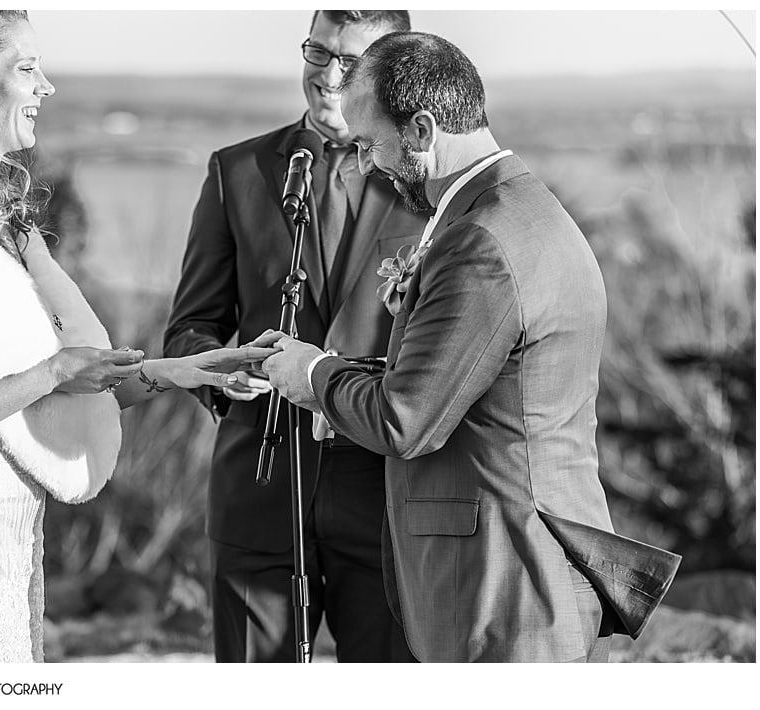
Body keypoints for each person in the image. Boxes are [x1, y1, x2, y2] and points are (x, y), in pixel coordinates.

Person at [0, 10, 273, 663]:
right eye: (26, 68)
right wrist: (51, 374)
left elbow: (52, 397)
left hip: (10, 534)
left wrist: (189, 369)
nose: (46, 85)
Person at [256, 31, 681, 662]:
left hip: (503, 587)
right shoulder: (522, 209)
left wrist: (313, 374)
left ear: (423, 129)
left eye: (372, 144)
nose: (368, 162)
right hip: (523, 576)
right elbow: (476, 383)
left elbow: (407, 421)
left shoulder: (480, 240)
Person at [163, 11, 425, 663]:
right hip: (261, 486)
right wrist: (220, 369)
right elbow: (191, 327)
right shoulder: (237, 171)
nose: (328, 75)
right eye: (319, 52)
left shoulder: (426, 187)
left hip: (388, 493)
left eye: (352, 60)